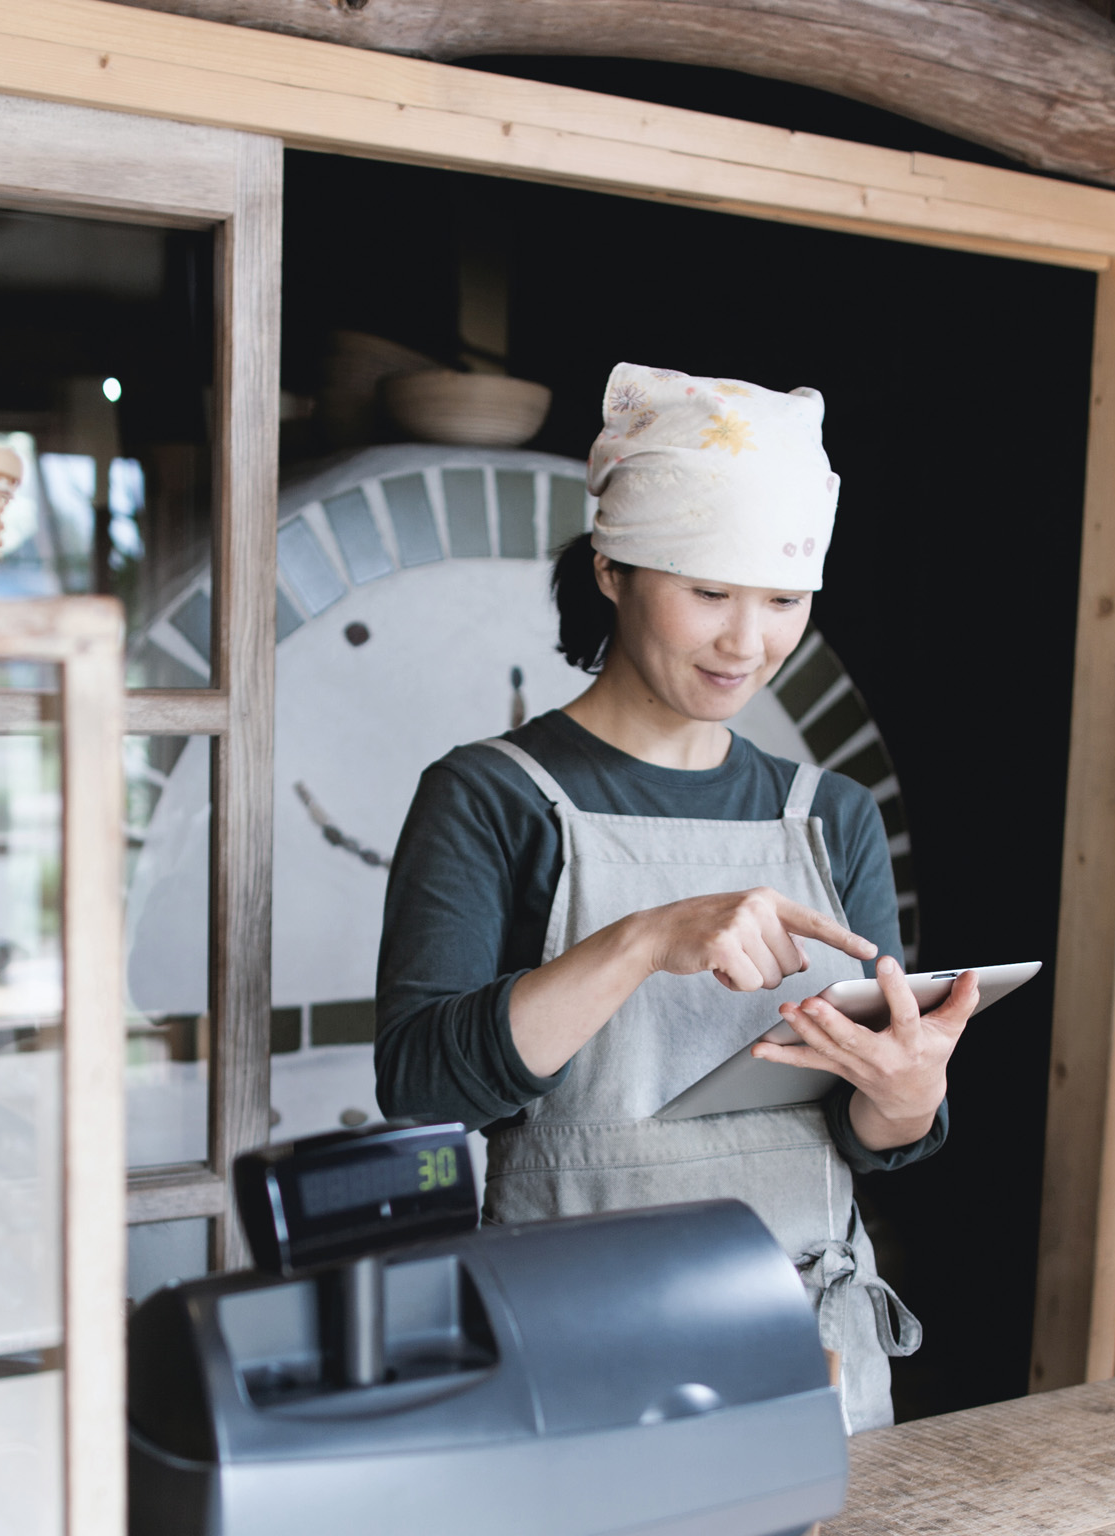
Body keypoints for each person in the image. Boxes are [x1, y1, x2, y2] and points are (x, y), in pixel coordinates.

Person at [375, 362, 979, 1431]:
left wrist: (909, 1092)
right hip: (576, 1344)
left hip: (807, 1347)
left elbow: (869, 1128)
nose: (747, 643)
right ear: (611, 568)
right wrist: (645, 939)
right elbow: (424, 1090)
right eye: (708, 593)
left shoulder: (829, 814)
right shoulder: (490, 796)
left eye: (784, 601)